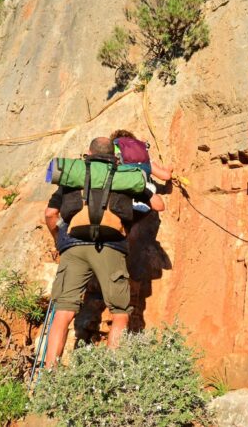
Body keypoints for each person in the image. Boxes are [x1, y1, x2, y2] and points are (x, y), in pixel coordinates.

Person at [43, 137, 165, 367]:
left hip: (74, 246)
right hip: (111, 247)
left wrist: (60, 240)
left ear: (88, 154)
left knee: (64, 311)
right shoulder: (123, 178)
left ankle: (49, 375)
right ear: (115, 156)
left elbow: (50, 213)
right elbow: (158, 205)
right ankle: (109, 374)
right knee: (120, 311)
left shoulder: (73, 176)